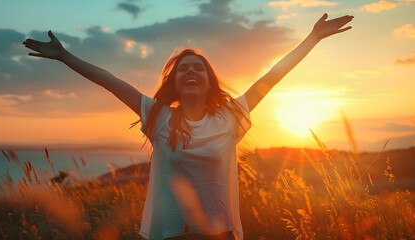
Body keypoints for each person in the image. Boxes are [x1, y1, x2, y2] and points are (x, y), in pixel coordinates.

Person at [23, 13, 353, 240]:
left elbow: (272, 77)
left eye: (199, 68)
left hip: (218, 233)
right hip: (170, 233)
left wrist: (312, 38)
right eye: (184, 69)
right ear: (175, 82)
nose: (191, 72)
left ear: (209, 81)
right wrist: (66, 57)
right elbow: (111, 82)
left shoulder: (230, 117)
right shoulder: (157, 116)